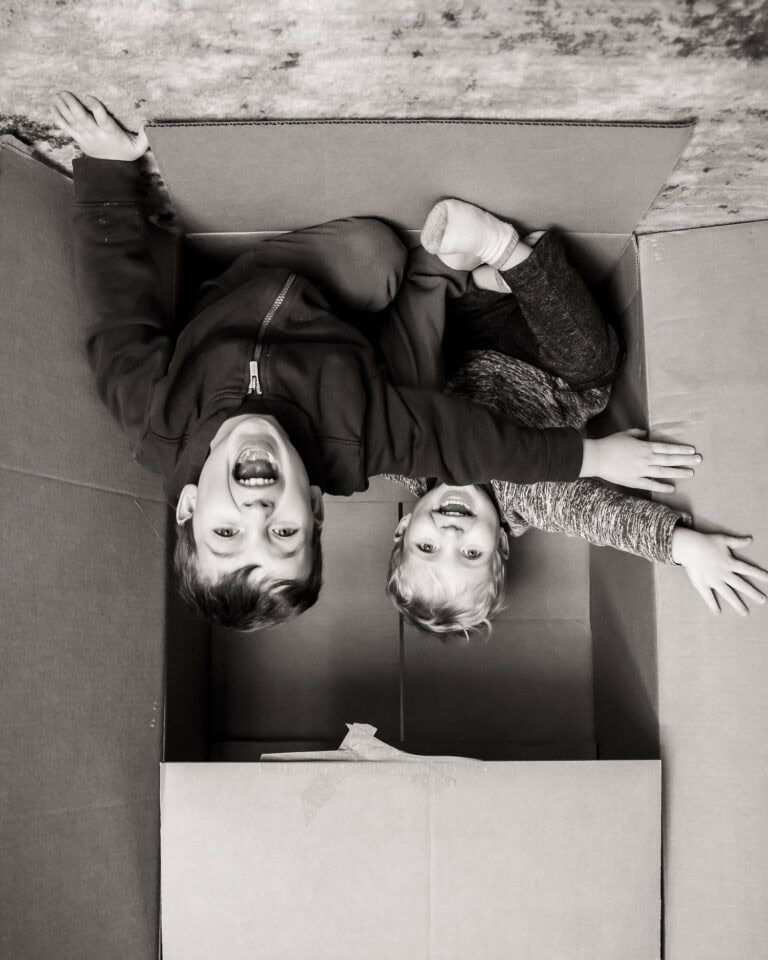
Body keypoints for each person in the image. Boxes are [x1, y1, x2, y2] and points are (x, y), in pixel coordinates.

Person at [53, 91, 702, 631]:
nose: (257, 516)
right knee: (440, 401)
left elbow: (119, 307)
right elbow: (468, 445)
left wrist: (108, 173)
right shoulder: (362, 449)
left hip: (276, 289)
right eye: (284, 535)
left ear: (190, 506)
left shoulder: (151, 418)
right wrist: (592, 461)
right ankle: (468, 268)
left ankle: (435, 272)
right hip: (438, 354)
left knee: (374, 253)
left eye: (228, 534)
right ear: (313, 505)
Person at [383, 199, 768, 638]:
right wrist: (686, 548)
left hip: (472, 335)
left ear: (403, 528)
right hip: (555, 367)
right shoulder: (529, 500)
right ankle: (505, 251)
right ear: (502, 543)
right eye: (470, 553)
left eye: (428, 546)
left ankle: (478, 278)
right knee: (595, 359)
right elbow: (602, 519)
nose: (452, 532)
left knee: (407, 368)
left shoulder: (406, 462)